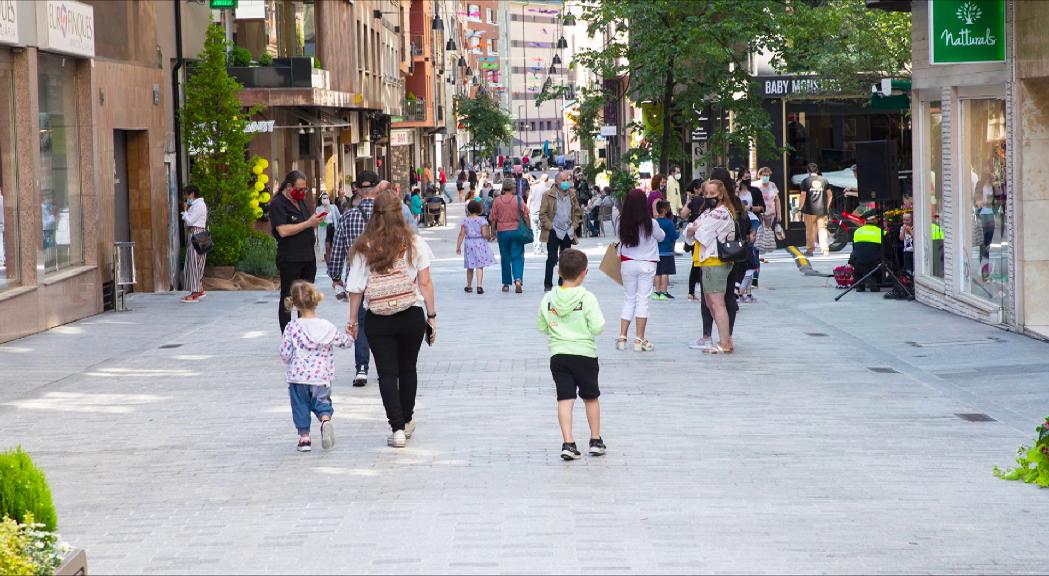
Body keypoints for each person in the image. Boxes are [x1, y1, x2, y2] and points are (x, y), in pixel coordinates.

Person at [346, 193, 437, 449]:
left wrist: (353, 321)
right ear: (401, 212)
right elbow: (426, 282)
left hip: (378, 318)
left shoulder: (365, 245)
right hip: (410, 314)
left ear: (374, 213)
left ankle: (396, 428)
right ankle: (407, 420)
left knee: (387, 373)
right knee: (408, 368)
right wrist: (431, 316)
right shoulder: (414, 242)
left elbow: (355, 288)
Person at [536, 248, 607, 461]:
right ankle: (595, 440)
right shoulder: (587, 298)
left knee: (564, 399)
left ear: (558, 271)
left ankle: (568, 443)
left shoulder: (548, 298)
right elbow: (597, 327)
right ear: (584, 273)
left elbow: (542, 326)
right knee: (591, 397)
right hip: (585, 354)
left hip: (558, 355)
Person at [280, 280, 353, 452]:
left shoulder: (292, 327)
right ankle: (325, 420)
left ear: (295, 304)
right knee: (321, 403)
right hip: (321, 376)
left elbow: (285, 353)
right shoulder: (326, 326)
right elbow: (345, 342)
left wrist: (290, 359)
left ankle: (304, 438)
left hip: (298, 377)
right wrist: (350, 334)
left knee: (300, 406)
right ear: (316, 300)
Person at [329, 170, 386, 387]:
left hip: (357, 280)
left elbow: (338, 251)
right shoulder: (388, 216)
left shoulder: (348, 217)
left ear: (358, 191)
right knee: (383, 321)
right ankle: (384, 367)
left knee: (360, 322)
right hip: (385, 276)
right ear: (377, 188)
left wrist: (335, 277)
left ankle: (361, 368)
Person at [685, 179, 738, 354]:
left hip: (715, 261)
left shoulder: (721, 213)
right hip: (705, 261)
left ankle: (725, 343)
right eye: (705, 193)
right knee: (710, 302)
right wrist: (693, 229)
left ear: (721, 195)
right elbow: (689, 231)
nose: (708, 197)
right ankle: (725, 339)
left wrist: (694, 229)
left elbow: (702, 233)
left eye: (712, 194)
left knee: (717, 303)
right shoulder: (709, 211)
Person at [271, 170, 324, 333]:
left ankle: (304, 333)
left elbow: (306, 223)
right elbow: (283, 231)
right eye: (299, 189)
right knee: (288, 298)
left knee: (306, 298)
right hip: (290, 259)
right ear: (288, 186)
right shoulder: (278, 204)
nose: (302, 192)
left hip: (308, 257)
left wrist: (315, 221)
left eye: (304, 189)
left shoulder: (300, 202)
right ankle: (288, 336)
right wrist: (309, 223)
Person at [616, 189, 665, 352]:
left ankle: (622, 337)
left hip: (627, 263)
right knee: (642, 299)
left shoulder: (621, 222)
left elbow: (620, 239)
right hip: (647, 264)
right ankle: (639, 339)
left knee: (629, 298)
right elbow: (661, 237)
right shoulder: (651, 223)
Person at [539, 171, 583, 291]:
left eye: (567, 180)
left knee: (566, 259)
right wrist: (550, 226)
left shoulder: (572, 195)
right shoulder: (548, 195)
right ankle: (548, 284)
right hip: (553, 230)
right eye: (563, 180)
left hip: (567, 231)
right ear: (557, 182)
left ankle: (562, 282)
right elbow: (542, 214)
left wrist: (574, 226)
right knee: (552, 258)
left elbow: (577, 212)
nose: (566, 182)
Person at [488, 179, 529, 293]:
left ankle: (506, 284)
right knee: (517, 256)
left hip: (502, 232)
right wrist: (529, 227)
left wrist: (492, 232)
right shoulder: (518, 199)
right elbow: (525, 214)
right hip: (516, 230)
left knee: (505, 257)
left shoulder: (497, 200)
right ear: (512, 188)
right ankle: (518, 280)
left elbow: (493, 218)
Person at [456, 199, 496, 294]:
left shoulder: (465, 220)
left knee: (470, 266)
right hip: (479, 243)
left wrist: (458, 246)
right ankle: (479, 286)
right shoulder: (482, 220)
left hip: (469, 243)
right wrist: (490, 236)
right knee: (479, 265)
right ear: (479, 209)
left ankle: (469, 286)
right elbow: (484, 234)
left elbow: (461, 234)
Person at [180, 184, 208, 303]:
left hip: (196, 233)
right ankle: (199, 289)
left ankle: (195, 292)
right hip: (200, 233)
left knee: (194, 264)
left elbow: (190, 221)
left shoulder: (198, 205)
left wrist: (185, 211)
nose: (186, 197)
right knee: (198, 263)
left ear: (192, 194)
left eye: (186, 194)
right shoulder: (198, 204)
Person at [678, 179, 705, 300]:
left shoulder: (695, 200)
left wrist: (689, 200)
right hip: (705, 232)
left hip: (694, 234)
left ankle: (691, 291)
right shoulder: (709, 201)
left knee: (695, 262)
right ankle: (702, 289)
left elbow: (683, 214)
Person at [800, 162, 832, 257]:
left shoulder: (805, 181)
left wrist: (799, 209)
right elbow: (830, 195)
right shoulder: (824, 180)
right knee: (822, 229)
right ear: (817, 170)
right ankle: (825, 250)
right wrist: (827, 206)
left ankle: (810, 250)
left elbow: (803, 196)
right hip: (822, 210)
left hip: (809, 210)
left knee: (810, 230)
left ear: (808, 171)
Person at [850, 212, 885, 293]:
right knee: (882, 260)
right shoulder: (881, 232)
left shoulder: (857, 231)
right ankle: (874, 281)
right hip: (874, 264)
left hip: (859, 263)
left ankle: (860, 284)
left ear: (865, 221)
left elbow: (854, 248)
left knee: (857, 263)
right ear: (875, 221)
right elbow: (887, 250)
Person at [653, 200, 678, 300]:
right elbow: (673, 236)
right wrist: (678, 233)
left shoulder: (655, 222)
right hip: (667, 250)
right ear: (664, 210)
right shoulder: (669, 223)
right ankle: (664, 291)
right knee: (665, 272)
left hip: (656, 251)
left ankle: (657, 292)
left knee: (658, 272)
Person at [529, 174, 550, 255]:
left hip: (533, 212)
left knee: (535, 232)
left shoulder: (533, 187)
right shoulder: (546, 190)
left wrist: (528, 210)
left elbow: (529, 199)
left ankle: (536, 248)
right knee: (541, 231)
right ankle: (538, 248)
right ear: (547, 180)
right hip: (541, 213)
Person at [316, 192, 340, 264]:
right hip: (324, 229)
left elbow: (338, 217)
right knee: (326, 247)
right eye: (324, 198)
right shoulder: (319, 209)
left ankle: (333, 263)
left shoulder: (333, 207)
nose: (326, 199)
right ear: (321, 199)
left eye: (327, 198)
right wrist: (325, 212)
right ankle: (328, 264)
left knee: (333, 247)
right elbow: (320, 222)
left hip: (333, 228)